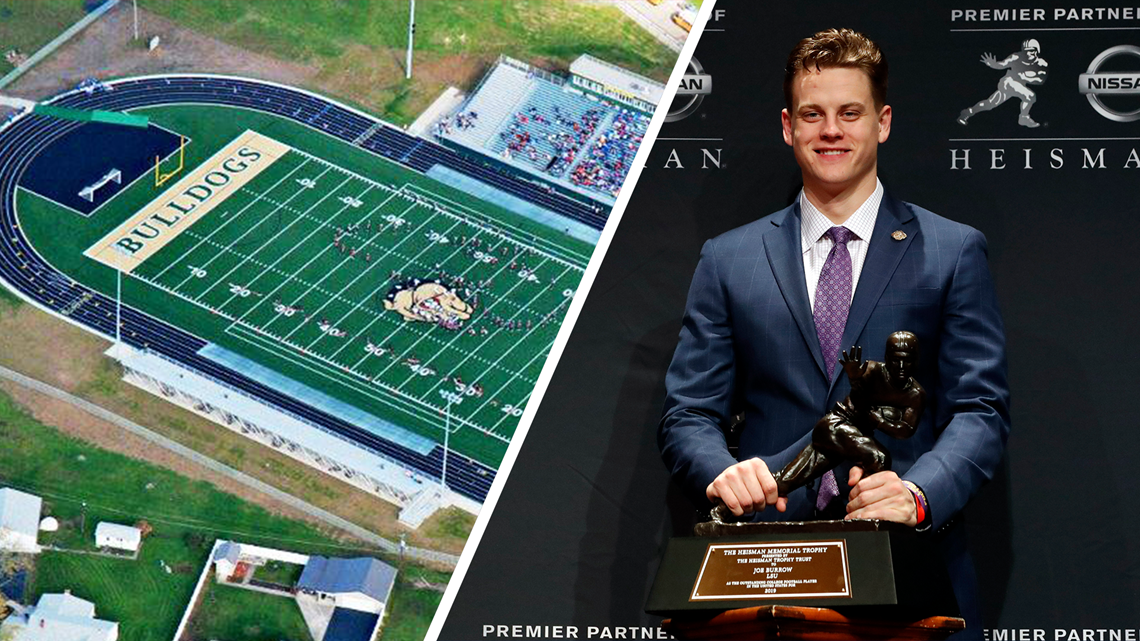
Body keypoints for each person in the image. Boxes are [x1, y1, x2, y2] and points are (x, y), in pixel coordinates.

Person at [658, 28, 1009, 639]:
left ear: (884, 122)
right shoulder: (728, 258)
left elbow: (979, 410)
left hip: (908, 573)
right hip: (762, 577)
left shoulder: (952, 251)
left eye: (851, 113)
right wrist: (721, 470)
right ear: (789, 126)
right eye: (814, 115)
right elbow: (688, 413)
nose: (832, 131)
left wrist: (917, 495)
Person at [957, 39, 1048, 128]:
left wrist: (1026, 77)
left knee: (989, 104)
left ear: (1037, 51)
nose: (1028, 54)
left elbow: (1041, 80)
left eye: (1031, 51)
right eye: (1026, 51)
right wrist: (994, 64)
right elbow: (1002, 64)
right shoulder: (1016, 57)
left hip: (1018, 85)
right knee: (1030, 96)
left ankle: (968, 112)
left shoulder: (1042, 64)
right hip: (1008, 82)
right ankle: (1023, 118)